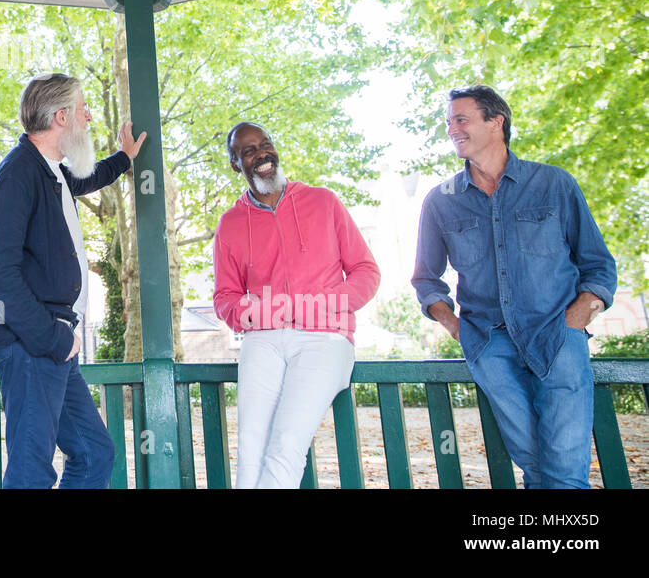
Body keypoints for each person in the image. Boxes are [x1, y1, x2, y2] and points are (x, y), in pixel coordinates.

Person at [412, 85, 616, 488]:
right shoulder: (441, 201)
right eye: (448, 121)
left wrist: (574, 323)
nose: (451, 128)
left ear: (496, 122)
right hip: (489, 346)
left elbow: (598, 266)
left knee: (564, 468)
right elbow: (425, 279)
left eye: (461, 119)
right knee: (536, 466)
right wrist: (457, 328)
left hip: (558, 336)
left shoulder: (554, 185)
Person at [0, 72, 145, 488]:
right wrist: (52, 338)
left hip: (53, 346)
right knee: (32, 470)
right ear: (61, 117)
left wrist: (124, 159)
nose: (89, 116)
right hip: (33, 343)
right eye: (83, 108)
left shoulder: (50, 172)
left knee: (93, 452)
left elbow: (86, 178)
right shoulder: (18, 175)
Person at [213, 121, 379, 488]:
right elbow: (224, 298)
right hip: (263, 340)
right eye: (249, 151)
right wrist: (252, 314)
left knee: (286, 444)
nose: (261, 154)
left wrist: (322, 305)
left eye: (265, 144)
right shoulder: (230, 224)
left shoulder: (323, 201)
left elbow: (366, 272)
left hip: (326, 338)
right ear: (235, 164)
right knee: (251, 449)